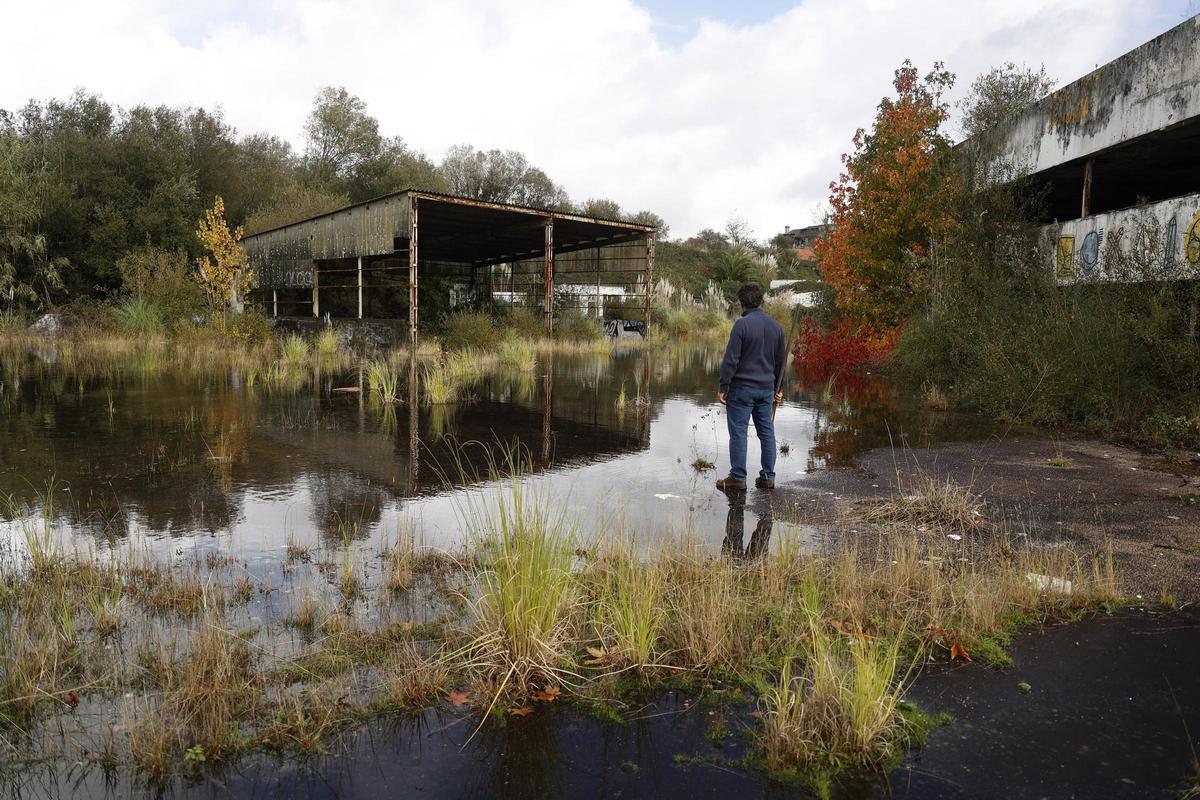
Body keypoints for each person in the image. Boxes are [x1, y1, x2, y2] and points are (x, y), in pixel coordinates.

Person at [715, 283, 787, 492]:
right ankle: (767, 477)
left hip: (741, 389)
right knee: (766, 432)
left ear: (742, 303)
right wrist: (779, 388)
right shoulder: (777, 327)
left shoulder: (742, 325)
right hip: (766, 390)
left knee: (738, 433)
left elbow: (731, 359)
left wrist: (723, 386)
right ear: (760, 301)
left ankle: (737, 478)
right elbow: (780, 363)